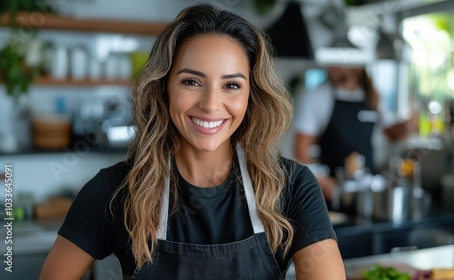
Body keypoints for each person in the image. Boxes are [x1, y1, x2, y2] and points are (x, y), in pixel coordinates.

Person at [40, 3, 345, 280]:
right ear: (163, 88)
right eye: (191, 81)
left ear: (251, 97)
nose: (211, 104)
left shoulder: (292, 187)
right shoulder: (114, 190)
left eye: (232, 85)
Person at [293, 65, 416, 205]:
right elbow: (301, 149)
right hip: (335, 193)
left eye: (340, 62)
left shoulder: (373, 97)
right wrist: (319, 179)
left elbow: (392, 133)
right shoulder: (318, 95)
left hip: (368, 192)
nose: (332, 66)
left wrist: (406, 127)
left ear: (358, 66)